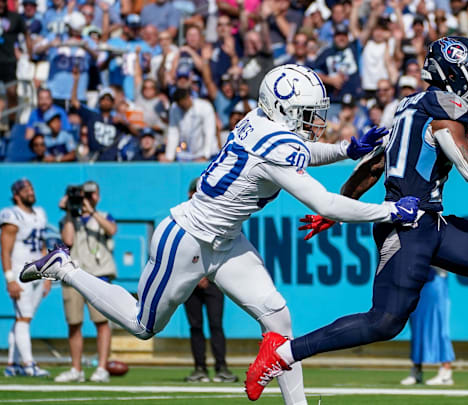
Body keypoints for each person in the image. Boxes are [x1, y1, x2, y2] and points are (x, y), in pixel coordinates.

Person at [21, 64, 420, 405]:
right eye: (307, 113)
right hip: (187, 239)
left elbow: (298, 150)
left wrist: (345, 150)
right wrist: (389, 209)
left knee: (278, 317)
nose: (315, 121)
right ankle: (65, 268)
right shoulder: (275, 142)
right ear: (283, 109)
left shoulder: (259, 122)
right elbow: (327, 205)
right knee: (143, 324)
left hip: (226, 241)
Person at [244, 37, 468, 402]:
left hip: (431, 222)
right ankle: (281, 355)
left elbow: (373, 165)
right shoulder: (444, 109)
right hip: (407, 226)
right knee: (385, 321)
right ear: (455, 74)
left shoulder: (410, 107)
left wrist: (339, 207)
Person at [54, 181, 117, 383]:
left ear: (98, 196)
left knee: (101, 323)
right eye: (85, 194)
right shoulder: (68, 219)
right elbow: (68, 240)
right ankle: (76, 369)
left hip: (98, 275)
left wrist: (92, 211)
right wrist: (71, 212)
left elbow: (111, 230)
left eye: (92, 194)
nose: (88, 198)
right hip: (74, 275)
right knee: (74, 323)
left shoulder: (104, 215)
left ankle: (101, 368)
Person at [183, 178, 237, 383]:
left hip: (213, 279)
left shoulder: (217, 216)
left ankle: (221, 367)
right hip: (190, 280)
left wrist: (205, 274)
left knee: (216, 324)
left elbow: (225, 247)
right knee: (195, 325)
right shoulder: (184, 217)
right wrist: (197, 275)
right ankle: (200, 368)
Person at [1, 179, 50, 377]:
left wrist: (47, 275)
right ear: (16, 195)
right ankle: (29, 364)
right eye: (25, 189)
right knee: (23, 318)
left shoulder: (39, 213)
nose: (30, 191)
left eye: (31, 187)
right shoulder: (12, 215)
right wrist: (10, 279)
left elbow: (43, 245)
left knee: (23, 319)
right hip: (21, 273)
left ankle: (12, 364)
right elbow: (5, 250)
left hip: (38, 272)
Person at [400, 268, 455, 386]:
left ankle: (446, 372)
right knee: (416, 327)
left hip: (435, 282)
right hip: (417, 282)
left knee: (439, 326)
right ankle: (416, 371)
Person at [165, 88, 218, 162]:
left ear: (188, 97)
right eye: (181, 104)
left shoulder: (205, 107)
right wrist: (169, 157)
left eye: (185, 101)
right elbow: (173, 133)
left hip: (209, 153)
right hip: (188, 155)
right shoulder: (174, 109)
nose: (184, 104)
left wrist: (205, 155)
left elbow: (209, 132)